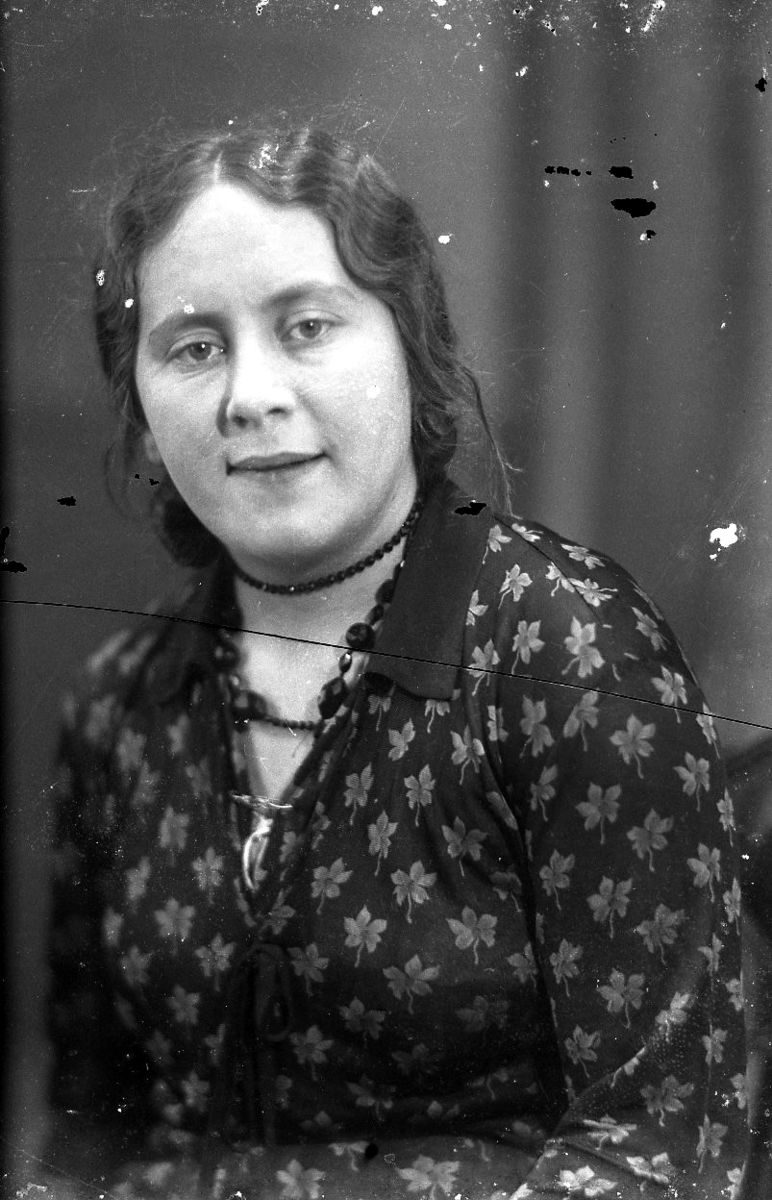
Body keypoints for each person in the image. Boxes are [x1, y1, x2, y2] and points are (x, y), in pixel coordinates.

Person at [45, 125, 749, 1199]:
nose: (249, 395)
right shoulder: (120, 703)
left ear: (409, 347)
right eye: (193, 347)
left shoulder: (566, 650)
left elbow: (660, 1148)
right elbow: (83, 1142)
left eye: (307, 326)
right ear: (140, 411)